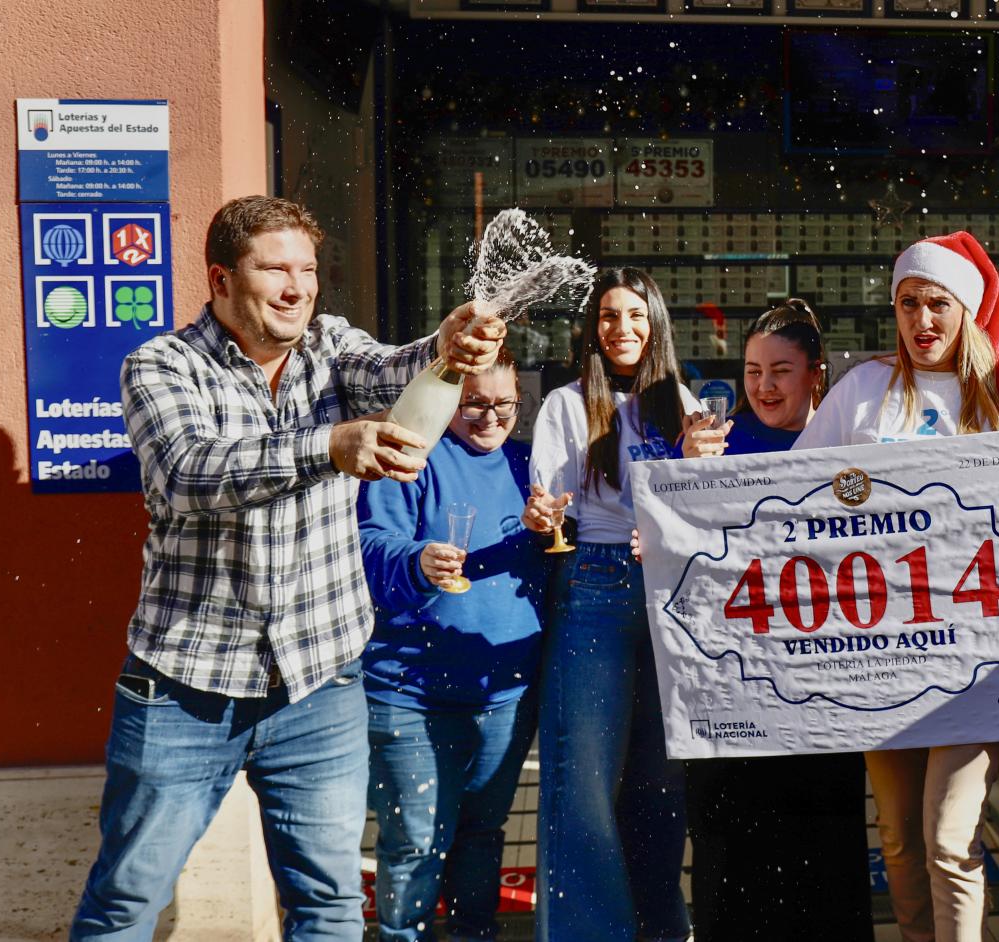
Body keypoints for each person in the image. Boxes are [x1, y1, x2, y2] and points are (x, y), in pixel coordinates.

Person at [71, 195, 505, 939]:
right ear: (221, 280)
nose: (297, 287)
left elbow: (389, 368)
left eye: (306, 270)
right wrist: (325, 448)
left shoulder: (330, 343)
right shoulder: (161, 366)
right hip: (184, 688)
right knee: (124, 904)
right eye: (274, 269)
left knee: (329, 907)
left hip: (319, 684)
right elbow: (188, 474)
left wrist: (446, 346)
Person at [793, 231, 999, 942]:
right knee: (901, 839)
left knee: (947, 835)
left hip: (980, 656)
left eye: (938, 303)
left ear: (966, 309)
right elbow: (797, 499)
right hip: (884, 654)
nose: (922, 320)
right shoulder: (863, 390)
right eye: (908, 303)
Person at [677, 300, 875, 942]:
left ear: (817, 373)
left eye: (781, 371)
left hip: (827, 692)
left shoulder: (851, 450)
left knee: (825, 856)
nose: (763, 386)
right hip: (735, 693)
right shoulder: (713, 449)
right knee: (733, 857)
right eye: (753, 370)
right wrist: (678, 489)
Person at [521, 268, 696, 942]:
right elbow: (551, 507)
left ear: (655, 323)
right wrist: (542, 515)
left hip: (667, 590)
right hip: (593, 583)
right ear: (591, 329)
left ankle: (660, 924)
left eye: (634, 315)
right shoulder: (568, 404)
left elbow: (693, 504)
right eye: (607, 316)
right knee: (584, 778)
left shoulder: (678, 399)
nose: (620, 328)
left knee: (661, 776)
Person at [358, 348, 543, 941]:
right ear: (450, 401)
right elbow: (366, 544)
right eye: (474, 404)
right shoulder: (413, 459)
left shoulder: (530, 466)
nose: (490, 417)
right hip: (411, 692)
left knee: (484, 834)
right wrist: (417, 559)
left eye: (505, 404)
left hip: (507, 691)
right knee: (414, 843)